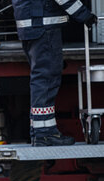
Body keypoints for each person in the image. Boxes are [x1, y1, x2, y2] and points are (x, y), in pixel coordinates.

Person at [12, 0, 98, 146]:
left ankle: (39, 132)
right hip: (44, 26)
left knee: (41, 78)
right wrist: (84, 15)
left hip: (32, 26)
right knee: (46, 79)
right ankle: (45, 134)